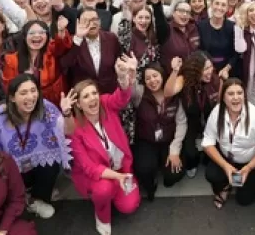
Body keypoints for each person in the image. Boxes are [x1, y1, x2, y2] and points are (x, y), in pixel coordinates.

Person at [0, 74, 74, 220]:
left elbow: (69, 131)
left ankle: (36, 199)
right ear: (12, 97)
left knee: (52, 163)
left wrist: (67, 112)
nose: (30, 97)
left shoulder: (46, 108)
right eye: (23, 92)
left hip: (39, 161)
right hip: (11, 164)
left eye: (33, 90)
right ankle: (21, 198)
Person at [69, 55, 140, 235]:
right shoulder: (76, 128)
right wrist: (116, 177)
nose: (93, 99)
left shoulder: (106, 104)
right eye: (86, 96)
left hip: (120, 168)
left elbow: (122, 97)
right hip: (97, 177)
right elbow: (89, 167)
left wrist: (123, 77)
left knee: (129, 207)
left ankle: (117, 190)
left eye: (94, 93)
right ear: (78, 103)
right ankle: (102, 214)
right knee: (103, 190)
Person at [201, 77, 255, 208]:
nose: (236, 97)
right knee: (211, 175)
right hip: (227, 159)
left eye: (239, 93)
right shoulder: (217, 112)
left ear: (244, 95)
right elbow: (207, 141)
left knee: (244, 200)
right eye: (230, 94)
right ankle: (226, 186)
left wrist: (249, 168)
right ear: (223, 97)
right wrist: (225, 166)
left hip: (250, 162)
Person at [130, 60, 186, 201]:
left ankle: (165, 169)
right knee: (144, 169)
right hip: (146, 140)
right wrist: (130, 72)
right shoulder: (140, 93)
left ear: (162, 76)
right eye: (147, 78)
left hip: (168, 140)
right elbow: (129, 88)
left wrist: (175, 149)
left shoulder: (173, 93)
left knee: (173, 175)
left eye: (155, 76)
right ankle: (151, 183)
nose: (152, 81)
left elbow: (181, 123)